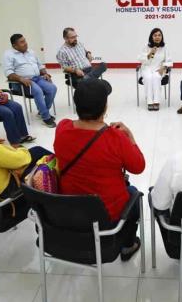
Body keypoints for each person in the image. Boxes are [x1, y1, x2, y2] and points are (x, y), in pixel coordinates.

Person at [54, 78, 145, 261]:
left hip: (68, 210)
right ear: (105, 108)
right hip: (106, 216)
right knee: (134, 195)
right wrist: (130, 137)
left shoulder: (62, 128)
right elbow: (138, 167)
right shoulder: (116, 138)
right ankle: (127, 246)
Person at [2, 33, 57, 127]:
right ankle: (46, 117)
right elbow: (8, 73)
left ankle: (42, 111)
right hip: (21, 82)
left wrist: (45, 73)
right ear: (14, 45)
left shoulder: (31, 52)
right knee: (38, 91)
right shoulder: (8, 55)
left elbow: (40, 65)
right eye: (22, 42)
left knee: (52, 88)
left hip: (37, 79)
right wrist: (20, 79)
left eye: (25, 41)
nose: (25, 43)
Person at [137, 28, 172, 111]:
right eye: (155, 35)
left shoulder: (165, 47)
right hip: (147, 68)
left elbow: (169, 61)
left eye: (159, 35)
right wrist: (150, 53)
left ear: (162, 37)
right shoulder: (146, 46)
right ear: (151, 37)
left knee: (156, 77)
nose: (157, 37)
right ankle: (149, 102)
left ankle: (156, 101)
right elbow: (141, 59)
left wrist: (163, 67)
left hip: (159, 68)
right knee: (148, 78)